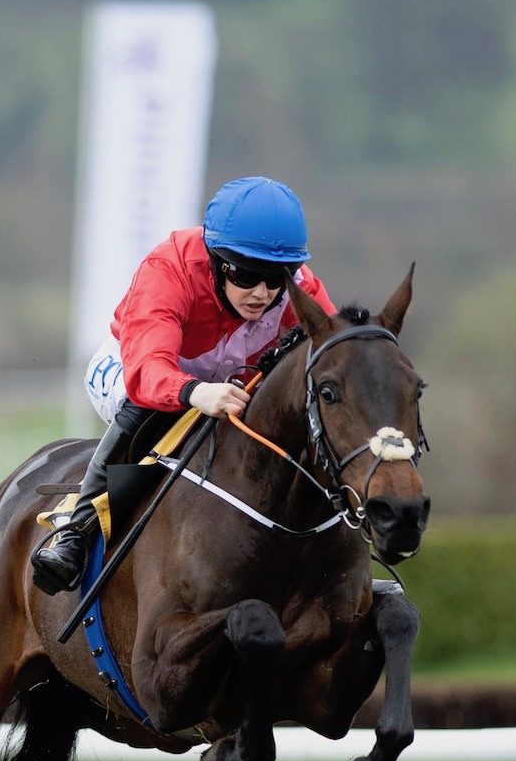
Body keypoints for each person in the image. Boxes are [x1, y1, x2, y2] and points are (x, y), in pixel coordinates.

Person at [31, 176, 334, 595]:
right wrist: (194, 392)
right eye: (247, 276)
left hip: (226, 379)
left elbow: (334, 352)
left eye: (275, 279)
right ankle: (76, 533)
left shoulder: (298, 287)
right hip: (134, 367)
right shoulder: (169, 269)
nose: (262, 293)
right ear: (217, 261)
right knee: (154, 409)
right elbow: (148, 372)